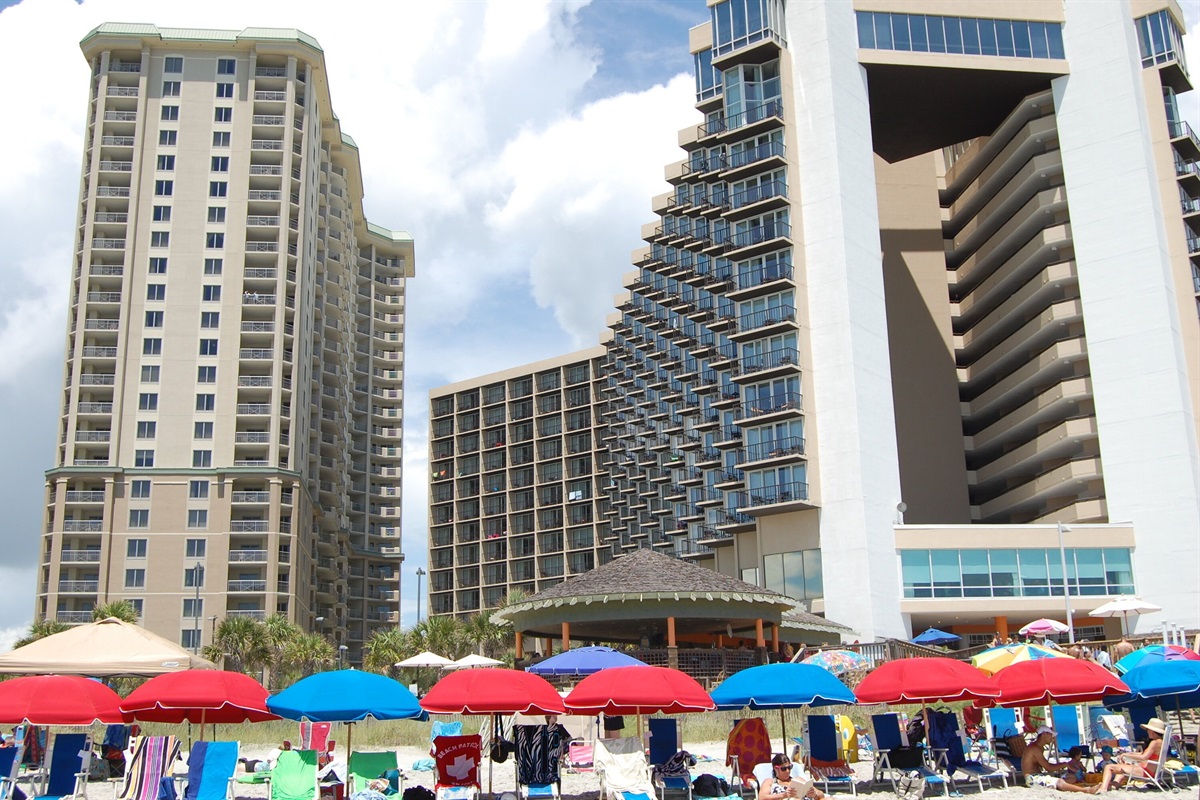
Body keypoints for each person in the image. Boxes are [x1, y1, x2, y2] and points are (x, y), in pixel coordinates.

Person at [1089, 718, 1166, 793]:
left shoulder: (1154, 742)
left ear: (1153, 731)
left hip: (1145, 772)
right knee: (1124, 765)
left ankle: (1103, 788)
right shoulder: (1160, 742)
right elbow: (1144, 754)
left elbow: (1143, 757)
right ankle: (1115, 784)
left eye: (1148, 729)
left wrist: (1126, 755)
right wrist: (1128, 754)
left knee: (1109, 767)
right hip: (1150, 771)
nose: (1147, 731)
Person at [758, 753, 825, 800]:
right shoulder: (770, 782)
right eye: (784, 768)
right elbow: (761, 798)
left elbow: (821, 794)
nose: (787, 771)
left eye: (789, 767)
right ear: (776, 768)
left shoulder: (799, 780)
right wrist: (783, 795)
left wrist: (815, 794)